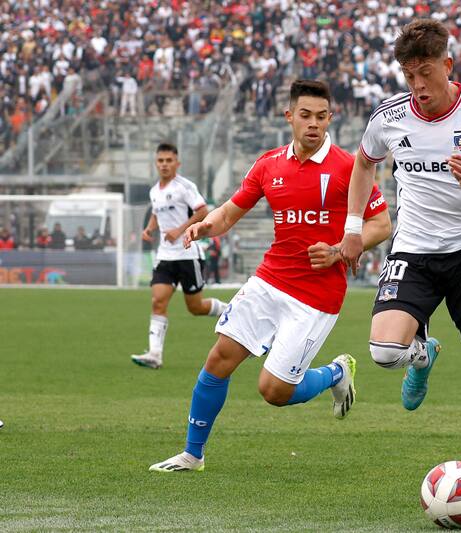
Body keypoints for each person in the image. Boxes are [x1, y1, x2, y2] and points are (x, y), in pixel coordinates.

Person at [148, 80, 391, 473]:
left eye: (321, 116)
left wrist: (342, 250)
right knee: (219, 360)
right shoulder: (268, 164)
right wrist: (203, 226)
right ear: (289, 116)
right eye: (305, 115)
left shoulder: (349, 167)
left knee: (274, 391)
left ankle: (336, 372)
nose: (313, 124)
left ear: (330, 118)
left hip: (317, 296)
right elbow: (228, 213)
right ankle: (193, 454)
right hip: (269, 281)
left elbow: (381, 224)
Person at [340, 19, 461, 513]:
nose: (418, 86)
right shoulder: (390, 116)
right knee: (381, 352)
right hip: (414, 251)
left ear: (448, 65)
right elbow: (363, 163)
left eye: (425, 73)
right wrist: (353, 228)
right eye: (408, 75)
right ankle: (422, 354)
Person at [130, 143, 227, 370]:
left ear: (177, 163)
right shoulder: (155, 191)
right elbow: (157, 212)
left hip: (188, 253)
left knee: (195, 307)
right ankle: (155, 354)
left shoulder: (185, 186)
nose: (164, 165)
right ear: (156, 163)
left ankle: (230, 311)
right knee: (158, 301)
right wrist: (150, 228)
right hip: (165, 256)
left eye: (168, 160)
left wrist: (180, 230)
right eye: (161, 161)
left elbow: (202, 211)